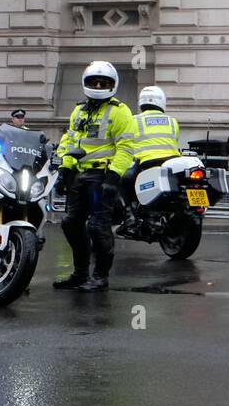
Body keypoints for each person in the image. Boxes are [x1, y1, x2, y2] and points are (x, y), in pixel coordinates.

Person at [54, 61, 137, 292]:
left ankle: (100, 277)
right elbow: (70, 142)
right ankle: (80, 275)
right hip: (80, 175)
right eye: (94, 81)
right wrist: (65, 170)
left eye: (104, 82)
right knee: (70, 224)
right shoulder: (79, 110)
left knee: (98, 227)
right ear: (85, 83)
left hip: (102, 176)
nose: (99, 85)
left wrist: (113, 178)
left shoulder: (120, 111)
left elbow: (126, 147)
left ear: (113, 85)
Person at [120, 86, 183, 216]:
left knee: (124, 182)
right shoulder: (172, 121)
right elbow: (175, 139)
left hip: (146, 163)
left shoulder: (133, 120)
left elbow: (125, 143)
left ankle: (130, 213)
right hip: (173, 163)